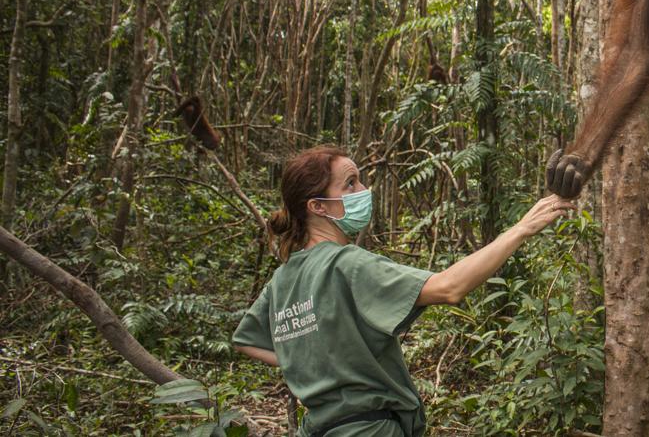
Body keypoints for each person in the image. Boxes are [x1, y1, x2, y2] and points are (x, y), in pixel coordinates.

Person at [232, 145, 577, 436]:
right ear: (317, 206)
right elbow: (449, 287)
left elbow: (246, 339)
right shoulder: (347, 264)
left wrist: (309, 361)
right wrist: (521, 229)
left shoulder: (283, 278)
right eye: (350, 184)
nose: (363, 190)